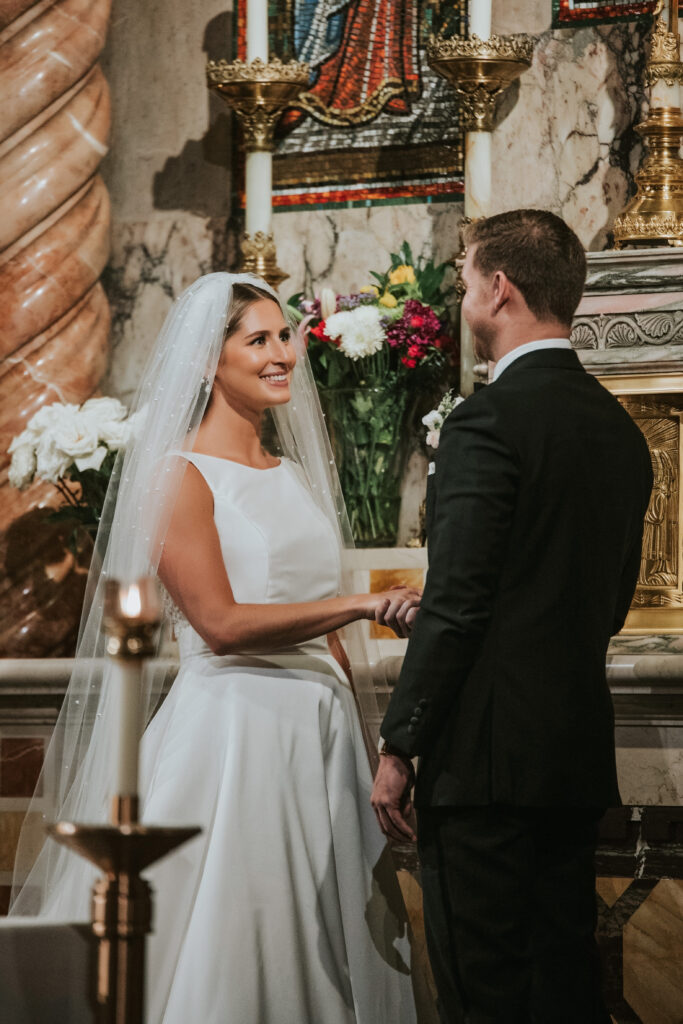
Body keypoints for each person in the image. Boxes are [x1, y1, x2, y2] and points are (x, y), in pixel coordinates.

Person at [10, 274, 421, 1024]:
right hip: (235, 731)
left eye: (283, 336)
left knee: (331, 935)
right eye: (256, 339)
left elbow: (325, 633)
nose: (281, 355)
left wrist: (371, 753)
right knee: (241, 940)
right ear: (208, 361)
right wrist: (364, 600)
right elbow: (220, 623)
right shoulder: (179, 477)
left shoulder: (293, 473)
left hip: (320, 736)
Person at [371, 210, 654, 1023]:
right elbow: (601, 598)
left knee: (487, 991)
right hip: (568, 755)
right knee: (564, 983)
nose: (462, 296)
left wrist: (400, 742)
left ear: (498, 289)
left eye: (463, 281)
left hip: (486, 766)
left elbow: (459, 605)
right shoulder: (616, 428)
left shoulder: (486, 421)